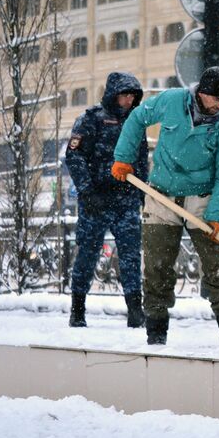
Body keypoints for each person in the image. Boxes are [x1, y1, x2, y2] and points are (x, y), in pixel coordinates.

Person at [111, 66, 219, 349]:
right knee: (157, 267)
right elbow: (137, 118)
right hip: (161, 195)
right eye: (217, 99)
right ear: (202, 93)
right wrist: (123, 157)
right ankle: (156, 335)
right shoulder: (172, 100)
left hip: (202, 198)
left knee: (217, 267)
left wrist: (217, 214)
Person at [63, 72, 148, 329]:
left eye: (133, 96)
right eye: (125, 95)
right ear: (114, 94)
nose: (129, 100)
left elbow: (142, 161)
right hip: (95, 201)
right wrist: (87, 192)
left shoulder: (136, 122)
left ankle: (135, 309)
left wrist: (142, 193)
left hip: (126, 201)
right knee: (87, 255)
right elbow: (74, 157)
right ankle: (77, 309)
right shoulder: (91, 120)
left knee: (131, 256)